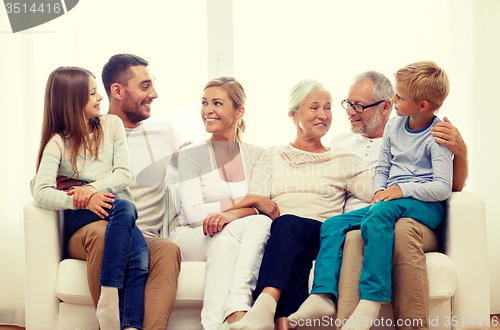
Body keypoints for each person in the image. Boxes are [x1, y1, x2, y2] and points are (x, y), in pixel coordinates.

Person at [292, 61, 455, 330]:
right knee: (334, 224)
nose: (394, 100)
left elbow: (442, 187)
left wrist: (400, 190)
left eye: (399, 97)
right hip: (390, 202)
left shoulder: (436, 136)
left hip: (424, 206)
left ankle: (372, 298)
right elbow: (383, 168)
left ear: (422, 105)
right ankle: (321, 294)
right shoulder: (394, 128)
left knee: (379, 213)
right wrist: (380, 190)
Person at [229, 79, 374, 330]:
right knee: (291, 250)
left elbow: (378, 193)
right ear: (293, 115)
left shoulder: (343, 159)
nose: (323, 115)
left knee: (288, 224)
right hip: (281, 238)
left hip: (321, 235)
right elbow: (258, 199)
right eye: (314, 107)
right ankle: (283, 325)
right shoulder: (270, 154)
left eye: (327, 108)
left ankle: (265, 303)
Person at [61, 54, 182, 330]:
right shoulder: (86, 131)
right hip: (94, 232)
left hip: (144, 237)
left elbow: (197, 171)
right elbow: (45, 180)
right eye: (144, 86)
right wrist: (85, 192)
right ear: (117, 91)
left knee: (167, 249)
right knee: (104, 234)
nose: (154, 94)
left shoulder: (165, 133)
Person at [33, 66, 148, 330]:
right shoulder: (58, 143)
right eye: (93, 93)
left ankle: (130, 325)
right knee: (126, 206)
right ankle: (108, 293)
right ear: (72, 101)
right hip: (82, 214)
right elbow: (40, 192)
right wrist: (81, 200)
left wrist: (92, 189)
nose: (100, 98)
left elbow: (122, 175)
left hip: (114, 210)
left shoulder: (112, 125)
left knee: (139, 254)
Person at [169, 76, 279, 330]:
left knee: (229, 241)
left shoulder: (258, 154)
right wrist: (249, 199)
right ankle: (239, 305)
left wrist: (230, 215)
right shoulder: (191, 154)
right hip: (191, 235)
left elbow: (262, 208)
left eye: (217, 103)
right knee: (255, 224)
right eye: (204, 102)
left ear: (239, 111)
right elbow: (195, 214)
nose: (208, 110)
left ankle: (216, 324)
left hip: (228, 233)